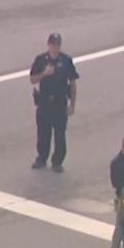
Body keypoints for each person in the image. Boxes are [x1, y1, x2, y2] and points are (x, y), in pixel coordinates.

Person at [29, 33, 79, 173]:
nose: (55, 47)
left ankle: (57, 161)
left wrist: (72, 105)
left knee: (60, 135)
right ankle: (41, 158)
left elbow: (73, 82)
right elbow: (33, 79)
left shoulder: (66, 60)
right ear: (48, 45)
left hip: (60, 102)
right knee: (43, 133)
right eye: (53, 44)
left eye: (57, 45)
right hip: (44, 102)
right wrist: (44, 73)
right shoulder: (40, 60)